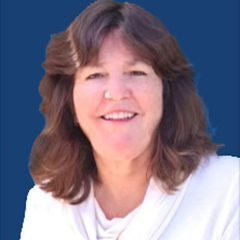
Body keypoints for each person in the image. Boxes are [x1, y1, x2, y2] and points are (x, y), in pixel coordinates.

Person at [20, 1, 239, 239]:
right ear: (69, 102)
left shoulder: (229, 191)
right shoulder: (45, 204)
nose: (116, 92)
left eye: (136, 72)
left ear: (167, 93)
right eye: (95, 75)